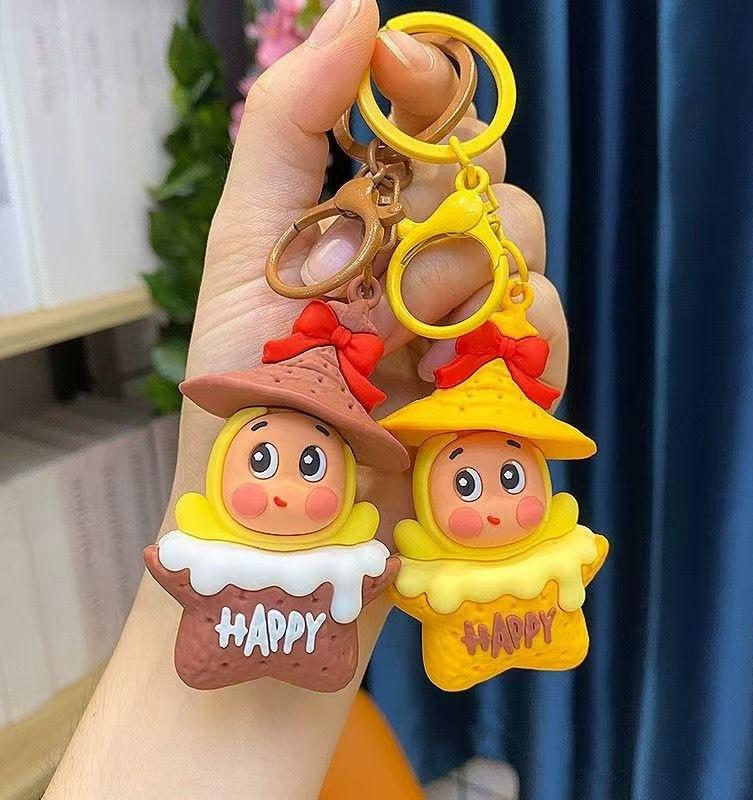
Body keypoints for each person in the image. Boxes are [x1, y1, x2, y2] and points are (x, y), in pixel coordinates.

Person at [45, 0, 567, 796]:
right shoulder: (224, 549)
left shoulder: (378, 549)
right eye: (261, 460)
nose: (284, 489)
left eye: (482, 482)